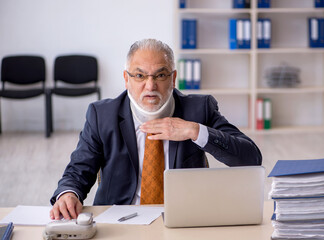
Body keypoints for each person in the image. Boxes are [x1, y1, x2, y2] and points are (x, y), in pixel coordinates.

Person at [50, 39, 262, 220]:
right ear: (126, 79)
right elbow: (78, 170)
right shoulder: (102, 115)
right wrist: (69, 194)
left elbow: (251, 157)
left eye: (160, 76)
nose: (150, 86)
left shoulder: (199, 109)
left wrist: (195, 131)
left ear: (173, 78)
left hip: (183, 218)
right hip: (121, 219)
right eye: (140, 76)